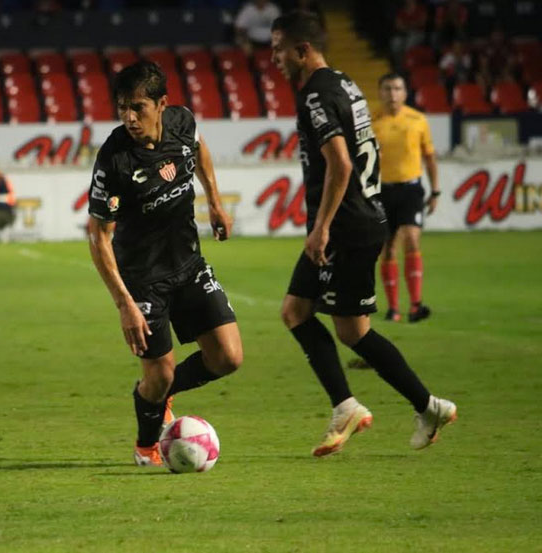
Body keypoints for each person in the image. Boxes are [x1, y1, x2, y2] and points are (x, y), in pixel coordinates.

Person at [270, 11, 456, 456]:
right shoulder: (344, 83)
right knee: (300, 312)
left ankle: (393, 406)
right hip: (361, 218)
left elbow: (340, 163)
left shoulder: (316, 94)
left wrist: (321, 228)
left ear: (302, 50)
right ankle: (403, 406)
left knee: (346, 330)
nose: (274, 58)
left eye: (279, 49)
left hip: (346, 226)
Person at [87, 61, 242, 467]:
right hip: (143, 281)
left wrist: (214, 202)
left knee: (228, 357)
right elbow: (98, 236)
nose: (129, 117)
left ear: (161, 105)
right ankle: (145, 446)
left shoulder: (182, 122)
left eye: (138, 107)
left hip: (189, 264)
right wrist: (125, 304)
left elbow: (199, 149)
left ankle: (166, 393)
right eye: (122, 107)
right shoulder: (114, 159)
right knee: (157, 376)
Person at [372, 73, 439, 323]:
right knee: (388, 248)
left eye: (397, 88)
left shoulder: (418, 120)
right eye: (387, 89)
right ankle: (393, 309)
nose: (392, 94)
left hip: (411, 189)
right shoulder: (371, 121)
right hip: (382, 191)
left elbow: (429, 157)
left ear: (405, 93)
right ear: (380, 93)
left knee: (411, 238)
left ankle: (416, 305)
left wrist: (435, 191)